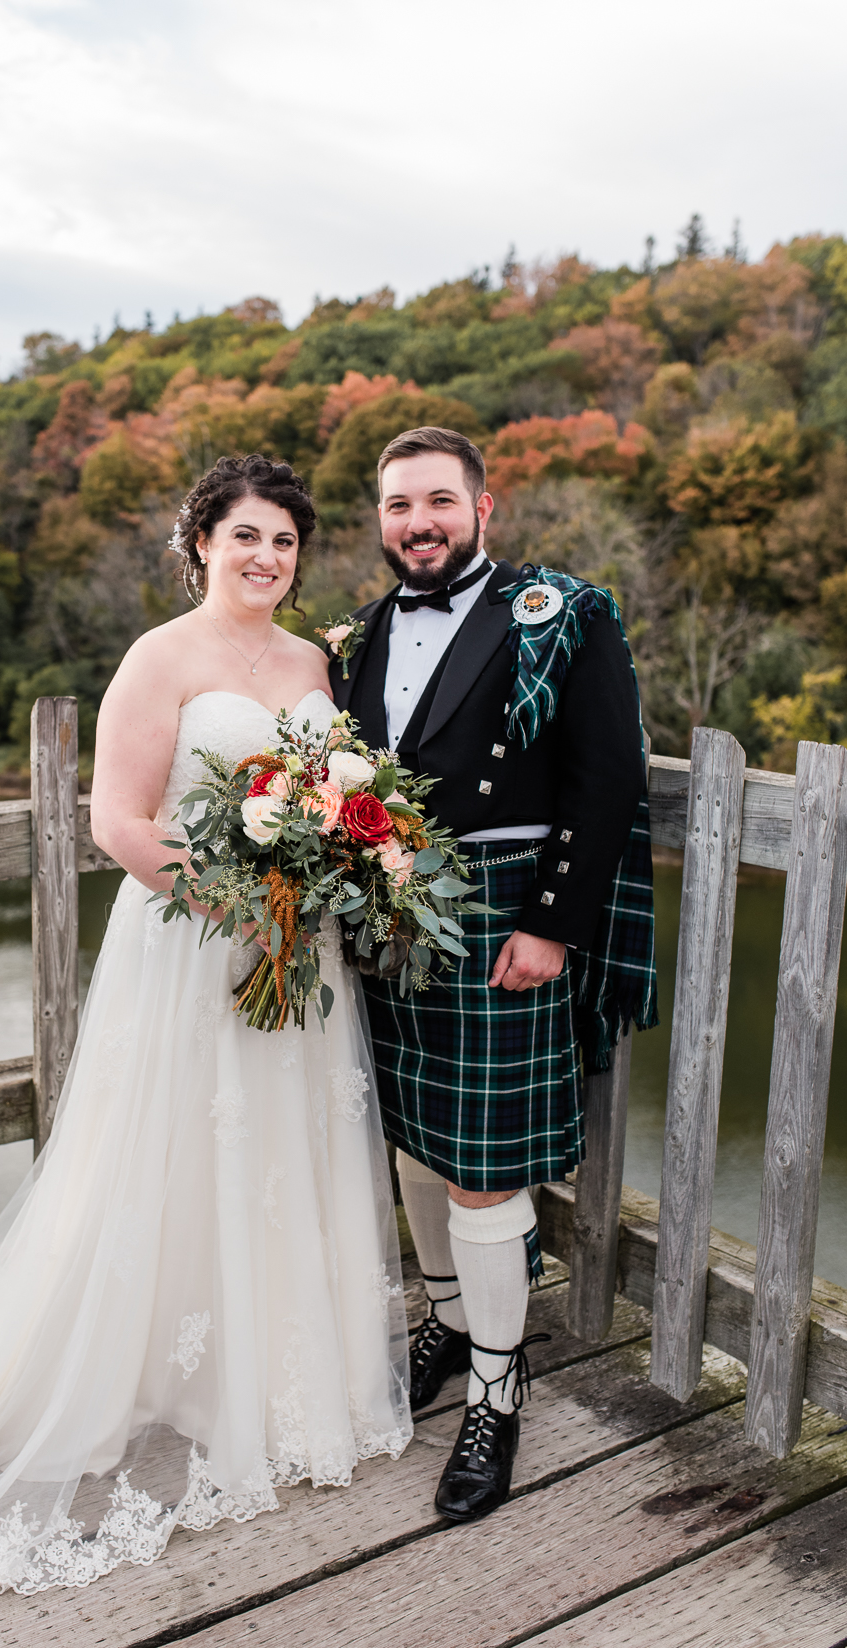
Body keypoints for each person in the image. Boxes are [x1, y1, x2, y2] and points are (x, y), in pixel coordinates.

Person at [0, 455, 411, 1595]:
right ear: (201, 543)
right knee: (177, 1145)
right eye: (245, 536)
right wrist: (241, 901)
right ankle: (143, 1366)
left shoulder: (315, 662)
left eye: (284, 542)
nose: (265, 558)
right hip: (195, 949)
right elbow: (118, 821)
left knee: (278, 1147)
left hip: (298, 954)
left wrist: (325, 874)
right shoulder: (160, 656)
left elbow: (339, 798)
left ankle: (274, 1378)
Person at [328, 425, 654, 1525]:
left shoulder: (562, 611)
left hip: (503, 918)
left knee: (481, 1172)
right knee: (412, 1144)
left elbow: (605, 777)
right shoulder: (360, 634)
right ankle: (448, 1315)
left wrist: (554, 927)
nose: (415, 522)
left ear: (482, 507)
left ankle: (496, 1392)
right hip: (390, 916)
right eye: (395, 506)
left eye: (435, 501)